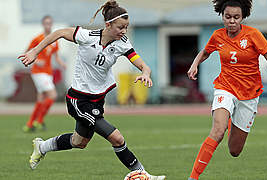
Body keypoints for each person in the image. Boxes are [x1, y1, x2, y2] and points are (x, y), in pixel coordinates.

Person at [18, 1, 165, 179]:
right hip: (78, 100)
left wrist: (146, 73)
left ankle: (42, 147)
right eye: (120, 27)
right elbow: (59, 33)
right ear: (108, 24)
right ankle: (143, 174)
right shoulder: (87, 36)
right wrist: (34, 51)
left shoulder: (122, 43)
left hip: (97, 100)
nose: (124, 31)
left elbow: (142, 64)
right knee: (117, 138)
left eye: (126, 27)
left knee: (78, 142)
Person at [186, 0, 267, 179]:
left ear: (243, 17)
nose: (232, 21)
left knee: (234, 151)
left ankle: (230, 118)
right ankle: (193, 177)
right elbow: (205, 52)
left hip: (249, 96)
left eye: (236, 17)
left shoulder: (253, 35)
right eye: (228, 17)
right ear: (222, 16)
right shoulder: (217, 36)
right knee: (217, 131)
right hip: (225, 88)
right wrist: (195, 64)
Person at [23, 15, 66, 132]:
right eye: (46, 23)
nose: (48, 25)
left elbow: (56, 56)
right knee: (53, 95)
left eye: (50, 23)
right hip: (38, 72)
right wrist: (36, 60)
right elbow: (27, 52)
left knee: (41, 98)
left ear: (51, 24)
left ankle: (30, 124)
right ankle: (39, 121)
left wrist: (61, 63)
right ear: (43, 24)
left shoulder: (54, 40)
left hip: (48, 72)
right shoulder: (37, 39)